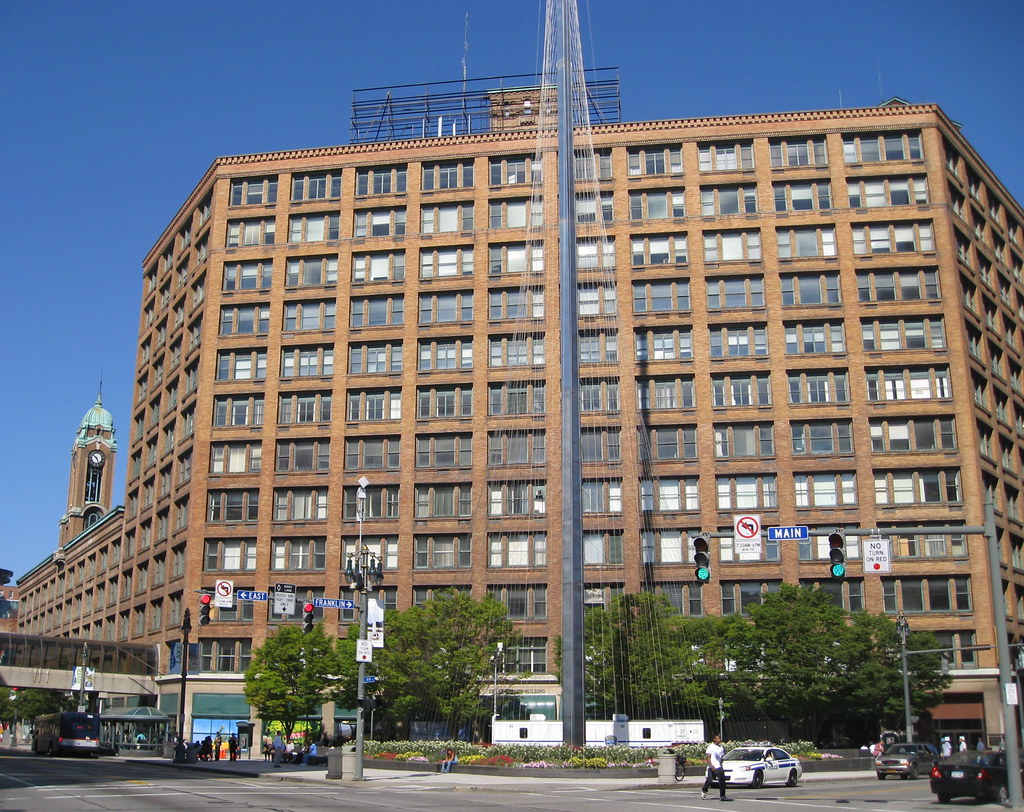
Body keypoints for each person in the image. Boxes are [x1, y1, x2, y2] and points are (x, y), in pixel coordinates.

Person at [701, 734, 731, 802]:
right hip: (712, 767)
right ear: (714, 739)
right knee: (709, 780)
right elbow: (708, 757)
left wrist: (722, 760)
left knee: (722, 781)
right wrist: (711, 766)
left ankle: (722, 796)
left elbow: (721, 757)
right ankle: (704, 789)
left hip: (719, 767)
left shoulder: (721, 747)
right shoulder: (710, 747)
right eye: (717, 739)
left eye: (719, 739)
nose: (719, 740)